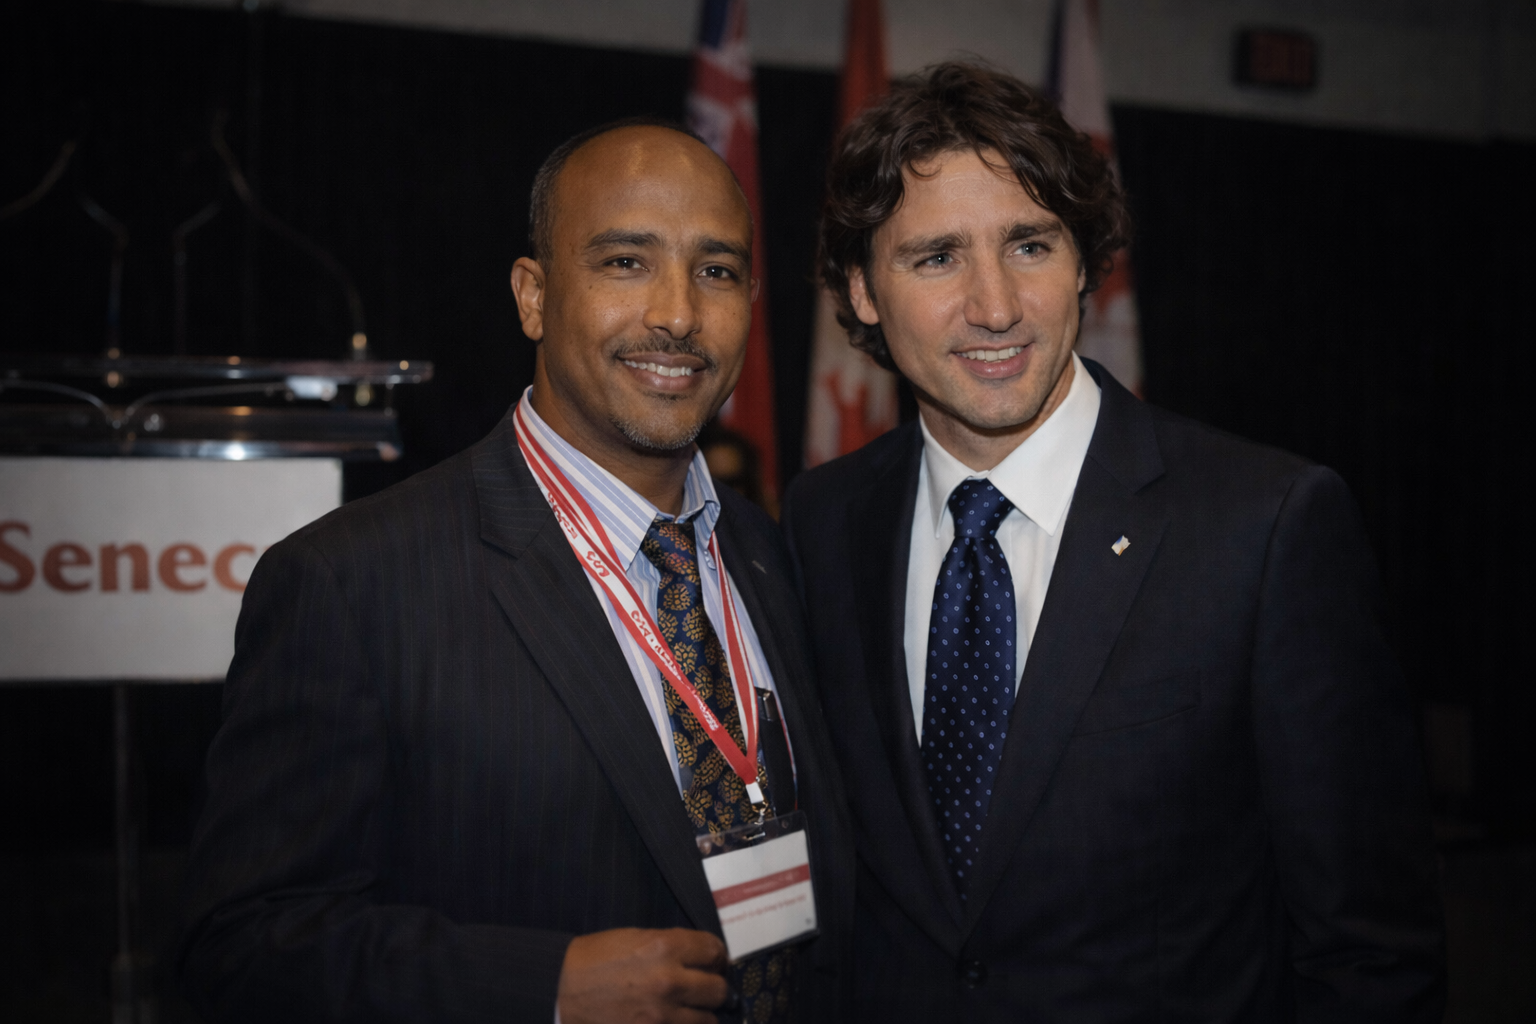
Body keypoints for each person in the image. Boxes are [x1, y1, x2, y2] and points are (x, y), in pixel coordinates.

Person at [781, 62, 1443, 1021]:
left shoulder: (1267, 527)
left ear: (1086, 262)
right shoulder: (822, 521)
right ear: (863, 291)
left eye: (1031, 245)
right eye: (936, 259)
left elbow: (1373, 954)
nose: (996, 305)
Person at [179, 118, 852, 1024]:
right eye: (625, 262)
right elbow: (246, 945)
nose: (679, 314)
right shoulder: (351, 585)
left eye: (717, 270)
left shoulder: (777, 555)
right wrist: (541, 990)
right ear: (533, 296)